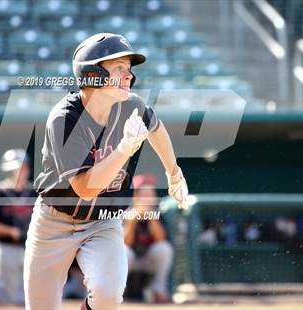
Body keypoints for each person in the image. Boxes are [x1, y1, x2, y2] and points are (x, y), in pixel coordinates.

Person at [24, 33, 188, 310]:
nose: (129, 76)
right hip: (54, 222)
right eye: (119, 68)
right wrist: (124, 149)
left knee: (108, 296)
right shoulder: (64, 118)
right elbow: (85, 188)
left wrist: (174, 173)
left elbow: (156, 129)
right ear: (93, 75)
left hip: (103, 221)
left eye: (129, 69)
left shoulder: (131, 105)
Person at [0, 149, 37, 304]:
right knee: (9, 298)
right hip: (6, 248)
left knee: (32, 295)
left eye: (23, 168)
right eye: (16, 169)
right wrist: (11, 231)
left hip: (32, 247)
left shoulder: (34, 192)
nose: (20, 172)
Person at [124, 174, 173, 303]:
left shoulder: (157, 213)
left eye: (151, 193)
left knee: (164, 248)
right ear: (135, 196)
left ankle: (159, 291)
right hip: (131, 260)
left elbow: (161, 238)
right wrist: (132, 221)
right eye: (144, 194)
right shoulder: (125, 212)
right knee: (123, 251)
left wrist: (151, 217)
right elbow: (125, 242)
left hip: (148, 260)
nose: (148, 197)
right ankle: (118, 290)